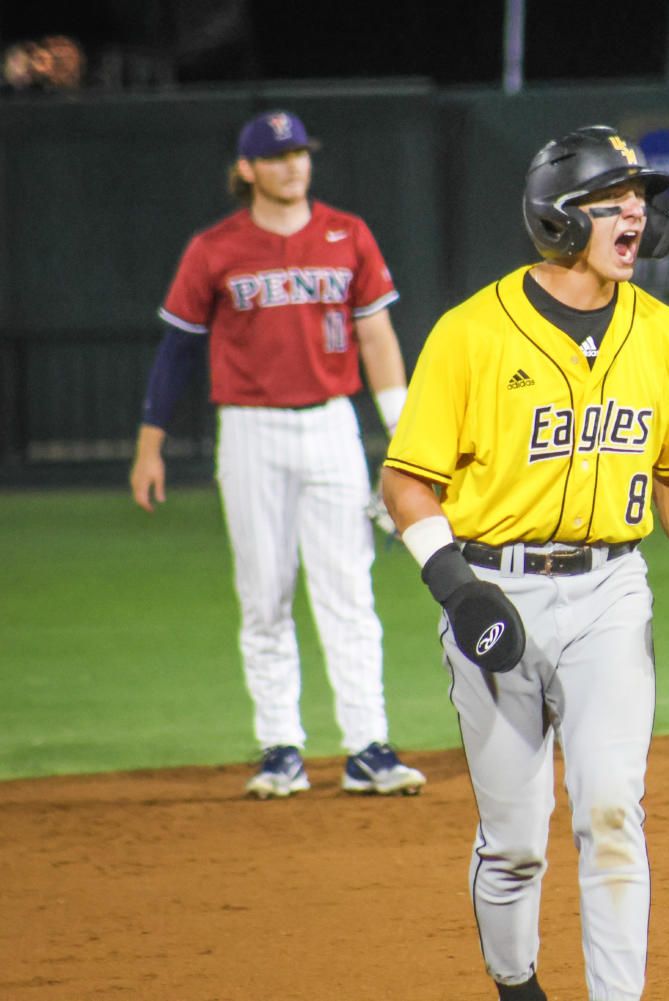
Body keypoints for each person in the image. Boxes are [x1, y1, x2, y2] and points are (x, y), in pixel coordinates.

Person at [382, 125, 669, 1001]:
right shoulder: (470, 333)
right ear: (558, 216)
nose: (635, 214)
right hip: (494, 587)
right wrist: (457, 591)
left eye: (640, 199)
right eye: (612, 199)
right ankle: (517, 986)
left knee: (613, 810)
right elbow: (403, 483)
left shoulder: (667, 336)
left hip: (613, 590)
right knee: (515, 840)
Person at [128, 110, 426, 800]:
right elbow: (177, 348)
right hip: (251, 431)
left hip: (330, 426)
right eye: (278, 155)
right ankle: (281, 748)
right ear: (247, 170)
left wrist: (402, 433)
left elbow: (377, 338)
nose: (295, 164)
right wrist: (151, 445)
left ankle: (367, 746)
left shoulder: (347, 234)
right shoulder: (215, 247)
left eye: (301, 153)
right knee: (264, 593)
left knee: (348, 591)